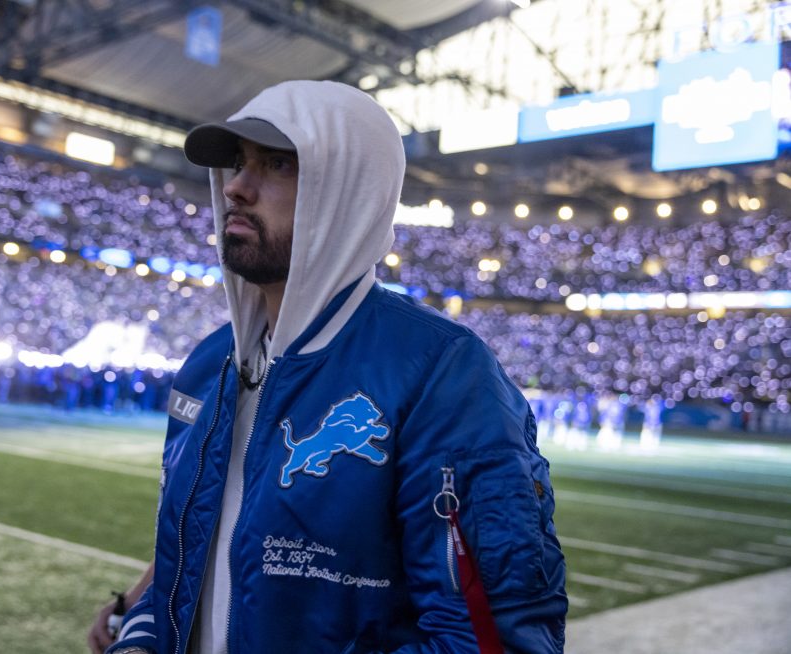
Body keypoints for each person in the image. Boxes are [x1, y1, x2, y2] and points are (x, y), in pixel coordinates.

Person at [102, 80, 566, 654]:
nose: (238, 188)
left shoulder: (442, 371)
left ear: (349, 194)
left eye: (276, 164)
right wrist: (141, 634)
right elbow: (185, 573)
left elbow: (488, 640)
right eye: (239, 164)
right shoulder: (207, 364)